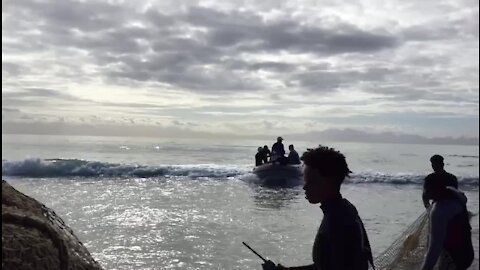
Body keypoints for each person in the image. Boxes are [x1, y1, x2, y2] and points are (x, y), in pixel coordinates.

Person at [267, 146, 374, 270]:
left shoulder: (336, 222)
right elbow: (324, 266)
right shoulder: (345, 209)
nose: (304, 187)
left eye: (311, 181)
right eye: (305, 181)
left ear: (329, 182)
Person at [420, 177, 473, 270]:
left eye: (426, 188)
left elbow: (434, 248)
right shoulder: (456, 195)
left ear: (435, 190)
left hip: (455, 258)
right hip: (468, 252)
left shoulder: (440, 210)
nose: (424, 192)